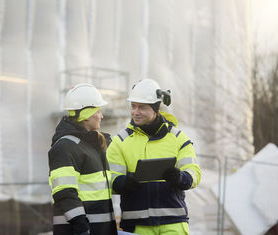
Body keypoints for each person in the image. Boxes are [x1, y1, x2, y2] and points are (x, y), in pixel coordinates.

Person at [106, 78, 201, 235]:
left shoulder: (178, 138)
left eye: (142, 107)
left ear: (155, 109)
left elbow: (194, 174)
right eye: (133, 106)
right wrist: (122, 182)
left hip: (174, 223)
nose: (135, 112)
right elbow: (108, 179)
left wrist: (180, 177)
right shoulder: (120, 141)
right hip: (137, 226)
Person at [48, 83, 118, 235]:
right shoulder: (65, 146)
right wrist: (81, 225)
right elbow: (65, 191)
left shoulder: (93, 146)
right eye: (98, 111)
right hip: (78, 230)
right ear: (87, 114)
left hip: (100, 229)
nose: (102, 116)